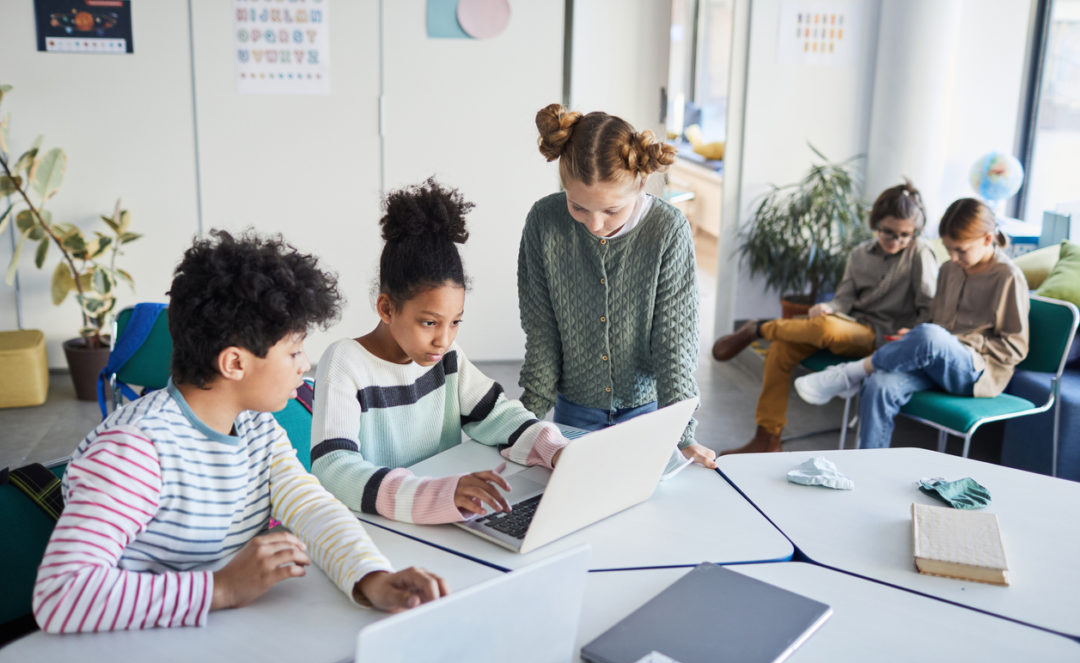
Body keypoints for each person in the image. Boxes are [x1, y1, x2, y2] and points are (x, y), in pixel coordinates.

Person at [33, 231, 447, 635]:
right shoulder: (135, 451)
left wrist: (370, 577)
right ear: (234, 363)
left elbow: (311, 507)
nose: (305, 365)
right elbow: (59, 594)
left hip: (223, 635)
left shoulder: (256, 427)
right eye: (293, 351)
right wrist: (222, 588)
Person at [311, 179, 570, 525]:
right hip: (381, 528)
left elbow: (496, 414)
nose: (443, 340)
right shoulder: (345, 363)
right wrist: (433, 495)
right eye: (430, 323)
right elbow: (333, 468)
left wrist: (555, 449)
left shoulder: (447, 359)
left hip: (442, 521)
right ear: (387, 309)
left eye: (455, 322)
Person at [517, 104, 716, 469]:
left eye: (611, 211)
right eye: (578, 207)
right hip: (573, 414)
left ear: (641, 186)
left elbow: (675, 340)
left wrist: (683, 434)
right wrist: (524, 422)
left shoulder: (667, 231)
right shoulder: (544, 223)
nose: (594, 225)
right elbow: (542, 331)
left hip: (648, 414)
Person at [711, 182, 938, 454]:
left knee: (826, 328)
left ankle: (757, 328)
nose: (897, 240)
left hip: (884, 338)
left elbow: (929, 307)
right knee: (782, 349)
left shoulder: (920, 254)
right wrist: (829, 306)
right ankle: (767, 439)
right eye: (889, 232)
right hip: (850, 325)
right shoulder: (859, 254)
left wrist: (910, 333)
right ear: (875, 222)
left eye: (905, 235)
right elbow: (844, 298)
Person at [794, 198, 1029, 449]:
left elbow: (1014, 347)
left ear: (987, 238)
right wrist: (915, 337)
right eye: (949, 249)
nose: (953, 257)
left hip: (975, 372)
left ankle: (851, 373)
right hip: (935, 361)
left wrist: (943, 340)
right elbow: (935, 320)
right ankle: (867, 468)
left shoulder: (1008, 277)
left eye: (961, 250)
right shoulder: (950, 268)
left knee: (930, 336)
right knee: (879, 384)